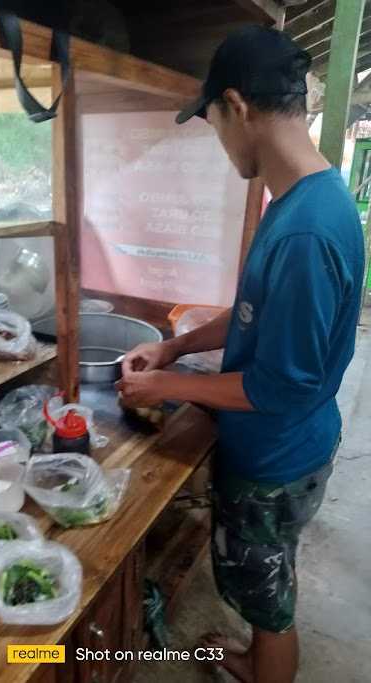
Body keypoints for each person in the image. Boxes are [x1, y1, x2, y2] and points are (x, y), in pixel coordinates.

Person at [116, 25, 365, 683]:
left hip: (277, 459)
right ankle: (257, 656)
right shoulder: (304, 200)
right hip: (285, 446)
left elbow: (275, 386)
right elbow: (255, 308)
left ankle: (266, 668)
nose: (219, 141)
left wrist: (168, 384)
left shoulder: (308, 230)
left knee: (271, 598)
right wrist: (177, 343)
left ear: (238, 106)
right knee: (266, 581)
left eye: (214, 122)